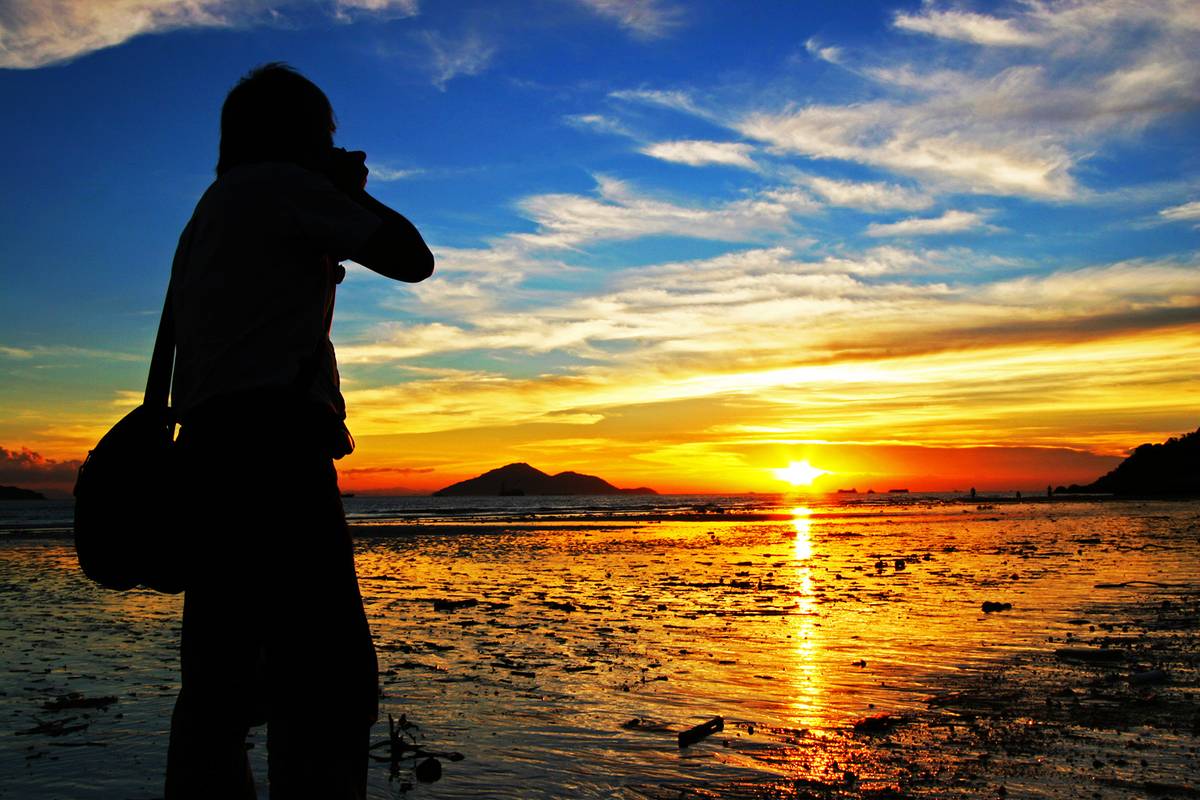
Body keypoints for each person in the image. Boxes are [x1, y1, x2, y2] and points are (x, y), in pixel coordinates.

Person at [163, 63, 433, 799]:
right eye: (326, 134)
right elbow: (413, 259)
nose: (334, 147)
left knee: (218, 684)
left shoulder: (211, 209)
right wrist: (351, 191)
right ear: (299, 136)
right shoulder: (283, 186)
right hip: (276, 454)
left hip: (208, 456)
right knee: (326, 682)